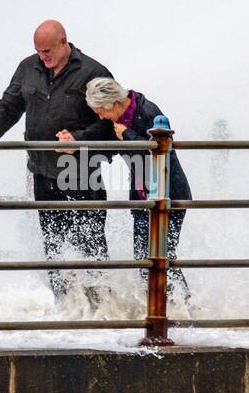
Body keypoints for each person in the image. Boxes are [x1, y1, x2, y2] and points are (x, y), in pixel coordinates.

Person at [0, 20, 114, 303]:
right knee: (54, 243)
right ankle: (65, 308)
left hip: (81, 172)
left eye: (48, 50)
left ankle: (103, 308)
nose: (44, 57)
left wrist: (79, 139)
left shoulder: (93, 72)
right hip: (42, 172)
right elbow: (9, 106)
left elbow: (113, 120)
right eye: (39, 51)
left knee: (90, 244)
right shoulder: (29, 68)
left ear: (65, 42)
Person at [81, 77, 192, 301]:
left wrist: (127, 136)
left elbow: (160, 154)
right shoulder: (119, 121)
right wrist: (74, 146)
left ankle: (182, 304)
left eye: (100, 111)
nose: (100, 116)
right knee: (144, 259)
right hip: (142, 197)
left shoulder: (148, 112)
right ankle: (156, 307)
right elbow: (112, 150)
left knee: (163, 256)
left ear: (111, 103)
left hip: (169, 195)